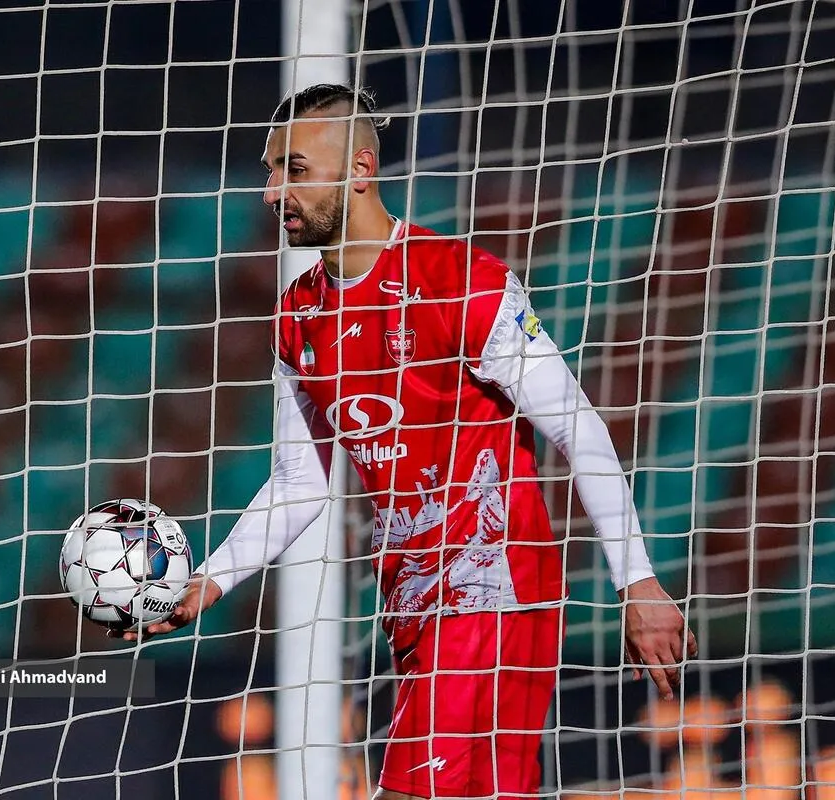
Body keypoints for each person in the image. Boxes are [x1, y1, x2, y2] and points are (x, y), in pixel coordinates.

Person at [119, 84, 696, 800]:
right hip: (412, 603)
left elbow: (578, 427)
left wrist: (637, 581)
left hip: (491, 590)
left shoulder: (461, 281)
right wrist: (209, 581)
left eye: (294, 169)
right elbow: (301, 480)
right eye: (270, 172)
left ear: (360, 169)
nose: (272, 193)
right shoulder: (298, 316)